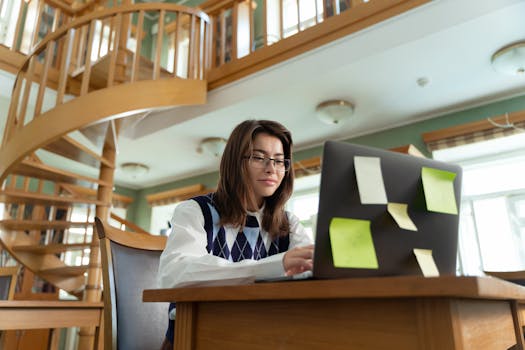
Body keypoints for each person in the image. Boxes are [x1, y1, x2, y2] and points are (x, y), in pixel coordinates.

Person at [157, 119, 314, 349]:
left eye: (279, 161)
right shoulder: (195, 210)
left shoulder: (289, 223)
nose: (271, 168)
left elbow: (310, 275)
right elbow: (173, 275)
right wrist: (271, 266)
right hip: (195, 337)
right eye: (259, 157)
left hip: (264, 337)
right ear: (234, 162)